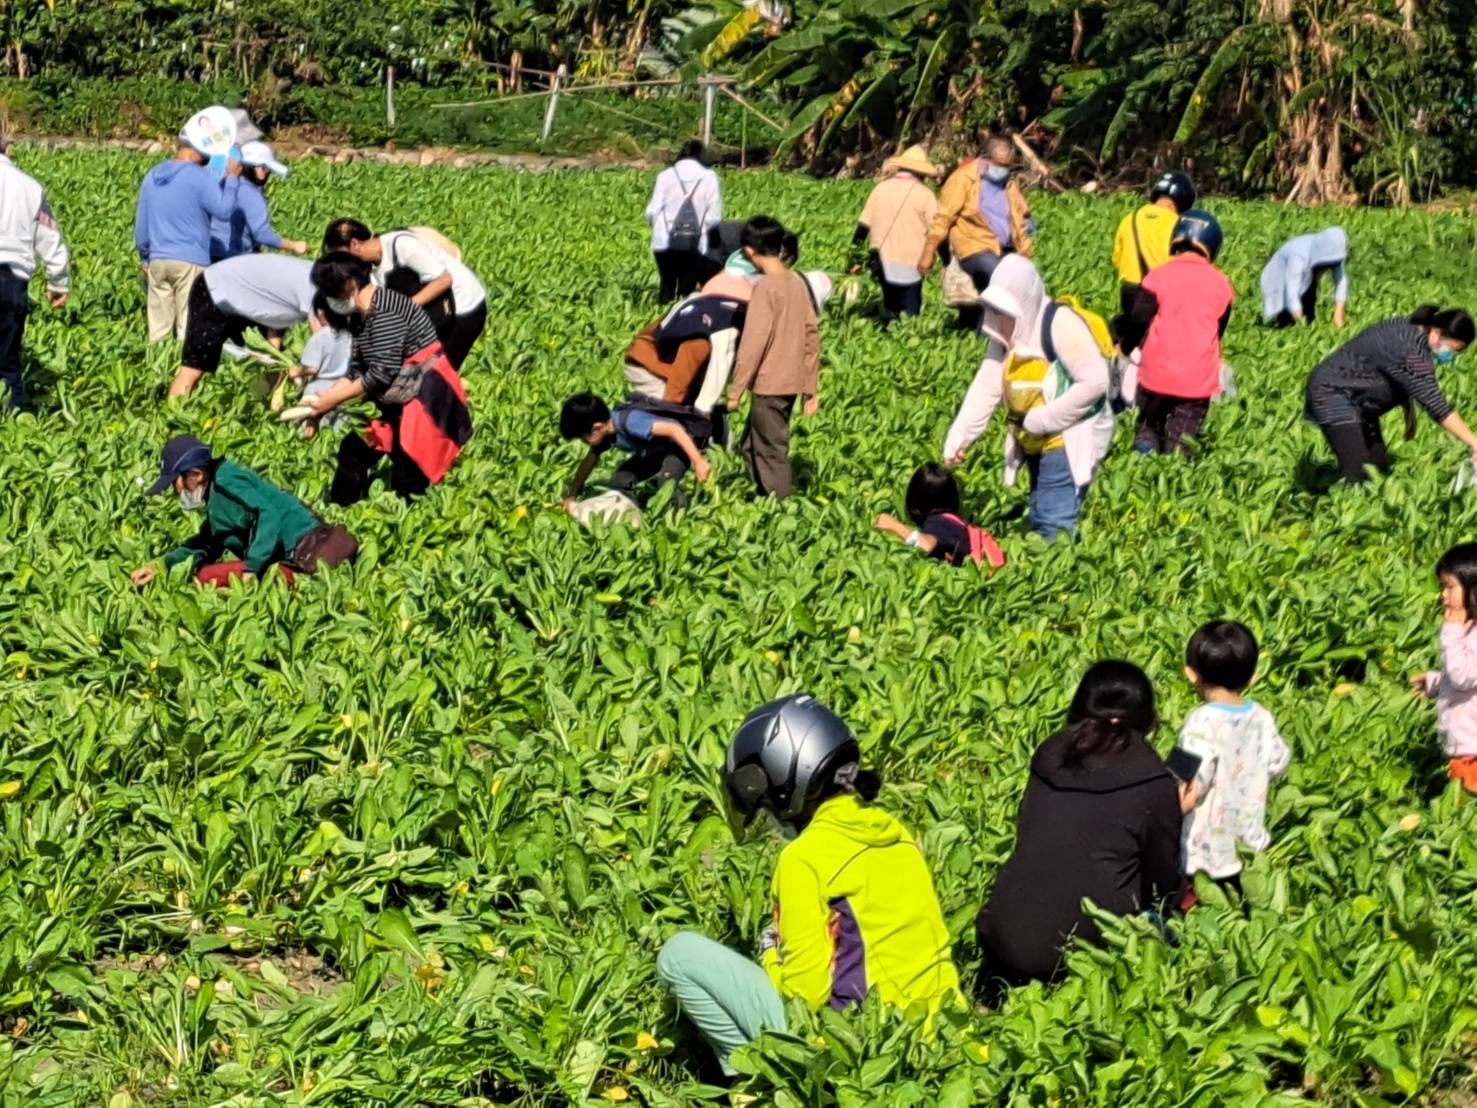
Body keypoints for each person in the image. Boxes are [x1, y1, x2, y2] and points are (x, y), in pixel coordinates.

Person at [657, 695, 960, 1079]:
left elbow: (804, 994)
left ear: (784, 780)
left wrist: (769, 952)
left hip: (856, 1052)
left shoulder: (803, 859)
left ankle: (750, 1083)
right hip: (937, 1043)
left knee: (679, 954)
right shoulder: (896, 834)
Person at [976, 661, 1193, 988]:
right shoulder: (1152, 782)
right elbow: (1161, 885)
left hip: (1000, 937)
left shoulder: (1049, 754)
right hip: (1073, 953)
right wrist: (1174, 814)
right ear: (1147, 717)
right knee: (1175, 923)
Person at [941, 255, 1113, 540]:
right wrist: (960, 435)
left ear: (1026, 302)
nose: (1002, 319)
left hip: (1067, 438)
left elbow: (1095, 381)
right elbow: (987, 383)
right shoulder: (1004, 331)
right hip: (1033, 437)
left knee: (1052, 520)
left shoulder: (1059, 325)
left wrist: (1043, 419)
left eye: (1007, 312)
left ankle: (1061, 576)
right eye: (996, 310)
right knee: (1039, 510)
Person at [304, 254, 473, 505]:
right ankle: (339, 513)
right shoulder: (363, 314)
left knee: (410, 474)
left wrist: (330, 402)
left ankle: (408, 525)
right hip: (396, 396)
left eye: (331, 292)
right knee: (354, 450)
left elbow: (379, 374)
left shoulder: (386, 311)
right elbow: (357, 370)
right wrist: (321, 405)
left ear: (350, 285)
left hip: (422, 397)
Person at [129, 435, 357, 588]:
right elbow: (207, 542)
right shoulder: (216, 494)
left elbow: (268, 513)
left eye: (174, 484)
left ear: (196, 474)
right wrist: (160, 566)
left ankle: (285, 582)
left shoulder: (226, 482)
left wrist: (252, 568)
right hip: (299, 554)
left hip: (304, 554)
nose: (174, 492)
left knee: (206, 578)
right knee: (208, 574)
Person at [1177, 621, 1290, 905]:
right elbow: (1278, 761)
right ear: (1253, 676)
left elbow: (1193, 777)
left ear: (1191, 674)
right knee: (1241, 903)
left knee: (1201, 904)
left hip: (1206, 848)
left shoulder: (1200, 721)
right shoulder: (1262, 716)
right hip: (1247, 838)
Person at [1304, 305, 1477, 483]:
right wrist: (1473, 442)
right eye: (1453, 350)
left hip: (1360, 398)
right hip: (1332, 391)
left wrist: (1408, 406)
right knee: (1359, 473)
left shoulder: (1410, 325)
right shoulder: (1411, 350)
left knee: (1378, 468)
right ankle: (1329, 498)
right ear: (1438, 333)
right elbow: (1436, 405)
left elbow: (1394, 370)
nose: (1452, 356)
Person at [726, 217, 821, 499]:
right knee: (750, 444)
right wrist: (809, 387)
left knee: (771, 451)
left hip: (769, 384)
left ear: (749, 251)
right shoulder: (797, 283)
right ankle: (760, 500)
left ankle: (779, 506)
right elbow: (811, 335)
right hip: (791, 382)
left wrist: (735, 391)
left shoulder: (766, 288)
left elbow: (754, 343)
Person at [1129, 209, 1235, 457]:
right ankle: (1177, 465)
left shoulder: (1155, 277)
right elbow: (1218, 331)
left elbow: (1138, 321)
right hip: (1196, 380)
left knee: (1149, 425)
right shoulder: (1221, 283)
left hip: (1154, 375)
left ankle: (1144, 456)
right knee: (1183, 438)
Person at [322, 220, 487, 371]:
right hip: (437, 311)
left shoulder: (401, 245)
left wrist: (404, 306)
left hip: (464, 305)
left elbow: (444, 280)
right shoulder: (370, 268)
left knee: (438, 375)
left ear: (354, 244)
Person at [134, 128, 244, 343]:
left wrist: (145, 256)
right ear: (195, 150)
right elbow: (223, 211)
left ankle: (155, 372)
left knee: (158, 329)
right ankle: (183, 374)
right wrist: (232, 179)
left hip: (158, 259)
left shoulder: (153, 175)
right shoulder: (199, 176)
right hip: (191, 260)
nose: (209, 156)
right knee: (189, 328)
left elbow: (142, 226)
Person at [168, 254, 317, 399]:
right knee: (194, 369)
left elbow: (278, 301)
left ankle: (262, 407)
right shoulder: (315, 288)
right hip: (215, 290)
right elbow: (325, 344)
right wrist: (303, 371)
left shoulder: (320, 279)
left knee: (275, 363)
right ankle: (172, 415)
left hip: (245, 297)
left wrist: (275, 349)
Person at [0, 132, 69, 411]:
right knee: (7, 358)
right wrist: (58, 281)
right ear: (8, 150)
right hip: (11, 280)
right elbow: (50, 237)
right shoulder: (29, 187)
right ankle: (14, 419)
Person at [559, 392, 712, 511]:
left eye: (583, 438)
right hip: (654, 453)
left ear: (596, 428)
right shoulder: (605, 433)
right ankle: (630, 513)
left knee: (667, 483)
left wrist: (698, 462)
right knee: (620, 480)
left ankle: (678, 517)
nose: (583, 442)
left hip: (677, 448)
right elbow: (589, 462)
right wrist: (572, 495)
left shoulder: (631, 422)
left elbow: (674, 429)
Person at [918, 135, 1034, 293]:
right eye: (998, 165)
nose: (1003, 170)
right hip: (975, 246)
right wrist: (929, 250)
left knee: (1018, 289)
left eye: (1007, 166)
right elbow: (943, 216)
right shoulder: (963, 179)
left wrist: (1025, 254)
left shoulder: (1009, 185)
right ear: (986, 159)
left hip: (1006, 248)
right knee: (1002, 278)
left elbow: (1020, 222)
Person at [1411, 543, 1477, 793]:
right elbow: (1467, 681)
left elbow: (1462, 678)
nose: (1443, 595)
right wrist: (1434, 682)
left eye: (1450, 587)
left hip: (1474, 753)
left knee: (1466, 812)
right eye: (1442, 587)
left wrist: (1450, 631)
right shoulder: (1469, 630)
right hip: (1465, 748)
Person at [1111, 170, 1195, 355]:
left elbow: (1117, 259)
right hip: (1158, 296)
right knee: (1155, 348)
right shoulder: (1178, 224)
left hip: (1129, 292)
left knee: (1129, 343)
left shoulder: (1129, 219)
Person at [854, 145, 939, 320]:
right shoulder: (925, 195)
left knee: (890, 304)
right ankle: (905, 338)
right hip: (912, 262)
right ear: (921, 173)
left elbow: (863, 226)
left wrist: (853, 256)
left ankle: (888, 332)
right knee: (910, 311)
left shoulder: (880, 189)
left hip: (881, 259)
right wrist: (946, 261)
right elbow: (937, 230)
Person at [873, 463, 1005, 568]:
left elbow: (927, 545)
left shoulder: (938, 523)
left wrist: (895, 526)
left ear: (916, 502)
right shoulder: (958, 524)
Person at [645, 140, 722, 301]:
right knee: (687, 289)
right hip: (694, 240)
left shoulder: (665, 176)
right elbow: (714, 216)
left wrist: (658, 229)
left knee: (667, 284)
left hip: (663, 240)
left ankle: (662, 317)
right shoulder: (709, 177)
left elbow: (652, 210)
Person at [209, 142, 308, 262]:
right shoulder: (249, 192)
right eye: (265, 169)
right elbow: (262, 235)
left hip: (211, 250)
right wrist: (295, 246)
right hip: (232, 257)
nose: (268, 173)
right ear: (253, 167)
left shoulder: (225, 182)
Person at [1261, 227, 1348, 329]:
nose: (1328, 268)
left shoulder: (1334, 254)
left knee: (1309, 301)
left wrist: (1338, 313)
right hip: (1278, 276)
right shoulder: (1298, 256)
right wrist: (1297, 314)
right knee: (1283, 314)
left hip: (1306, 273)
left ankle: (1307, 324)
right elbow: (1292, 286)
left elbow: (1341, 281)